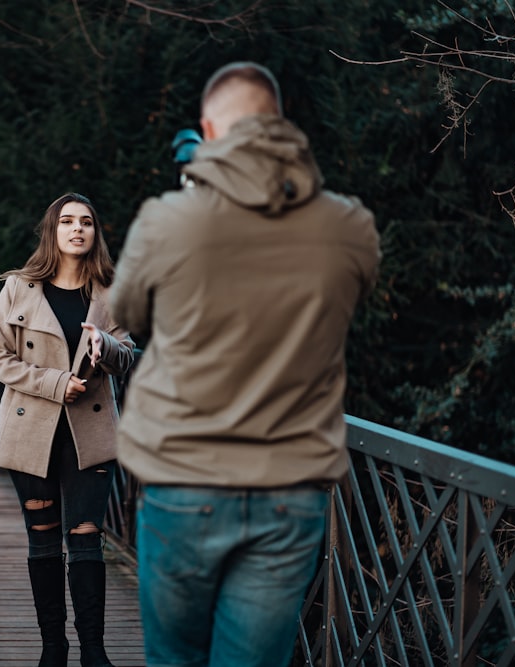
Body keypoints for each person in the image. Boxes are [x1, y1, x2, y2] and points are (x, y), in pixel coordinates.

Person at [108, 62, 381, 667]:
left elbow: (129, 310)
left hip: (182, 481)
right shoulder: (350, 227)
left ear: (207, 130)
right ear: (280, 126)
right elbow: (344, 300)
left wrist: (194, 203)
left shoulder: (167, 221)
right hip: (291, 492)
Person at [0, 193, 135, 667]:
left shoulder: (113, 292)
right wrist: (53, 383)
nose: (77, 229)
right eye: (67, 221)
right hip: (32, 433)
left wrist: (104, 346)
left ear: (95, 233)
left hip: (90, 436)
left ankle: (94, 650)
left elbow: (130, 356)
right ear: (52, 232)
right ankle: (54, 648)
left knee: (87, 536)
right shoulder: (18, 288)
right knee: (44, 537)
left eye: (86, 222)